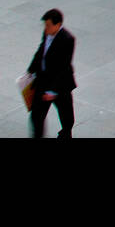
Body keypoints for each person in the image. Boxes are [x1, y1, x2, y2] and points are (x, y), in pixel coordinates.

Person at [27, 8, 76, 139]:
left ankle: (65, 133)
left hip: (59, 85)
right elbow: (41, 50)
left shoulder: (67, 39)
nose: (45, 28)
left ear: (58, 24)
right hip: (43, 80)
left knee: (66, 115)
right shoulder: (47, 32)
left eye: (48, 25)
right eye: (45, 25)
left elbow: (64, 67)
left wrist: (53, 91)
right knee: (36, 115)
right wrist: (31, 70)